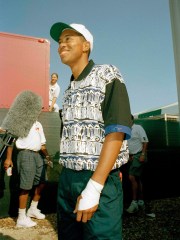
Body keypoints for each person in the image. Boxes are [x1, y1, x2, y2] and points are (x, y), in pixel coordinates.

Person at [50, 22, 132, 240]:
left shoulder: (106, 73)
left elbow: (117, 130)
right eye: (59, 42)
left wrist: (95, 186)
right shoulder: (68, 91)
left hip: (97, 178)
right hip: (67, 179)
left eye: (68, 39)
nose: (61, 45)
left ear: (86, 46)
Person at [4, 121, 52, 228]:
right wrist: (8, 158)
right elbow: (10, 141)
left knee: (42, 182)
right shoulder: (21, 120)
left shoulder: (39, 124)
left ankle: (32, 210)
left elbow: (42, 144)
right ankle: (21, 218)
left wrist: (48, 157)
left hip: (38, 155)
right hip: (25, 154)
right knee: (26, 186)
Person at [126, 115, 148, 213]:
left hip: (139, 156)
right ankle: (140, 202)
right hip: (131, 157)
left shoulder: (138, 128)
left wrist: (143, 154)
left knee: (131, 177)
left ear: (132, 119)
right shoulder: (125, 130)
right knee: (137, 179)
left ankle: (134, 202)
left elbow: (145, 141)